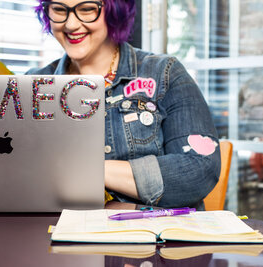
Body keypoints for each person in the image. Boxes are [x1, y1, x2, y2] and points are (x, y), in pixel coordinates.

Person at [26, 0, 221, 210]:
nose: (71, 24)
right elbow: (17, 175)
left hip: (152, 238)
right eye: (59, 10)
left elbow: (200, 169)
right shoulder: (34, 84)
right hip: (58, 233)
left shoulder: (165, 73)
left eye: (87, 9)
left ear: (114, 10)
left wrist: (90, 171)